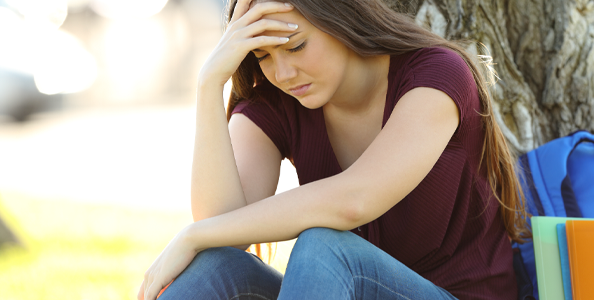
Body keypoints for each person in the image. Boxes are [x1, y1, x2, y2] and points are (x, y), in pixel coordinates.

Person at [138, 0, 531, 299]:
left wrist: (191, 236)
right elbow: (223, 230)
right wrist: (209, 84)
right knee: (216, 266)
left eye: (295, 46)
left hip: (452, 294)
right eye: (262, 56)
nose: (283, 74)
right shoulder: (275, 103)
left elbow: (355, 200)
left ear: (339, 17)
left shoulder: (438, 74)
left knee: (323, 246)